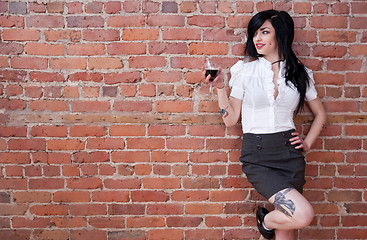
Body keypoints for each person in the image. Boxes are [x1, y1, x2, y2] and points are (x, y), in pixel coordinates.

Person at [202, 10, 327, 240]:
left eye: (264, 32)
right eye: (254, 33)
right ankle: (266, 221)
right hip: (258, 155)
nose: (257, 38)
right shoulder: (245, 71)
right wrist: (220, 87)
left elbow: (320, 114)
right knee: (302, 214)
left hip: (290, 155)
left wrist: (307, 143)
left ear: (281, 34)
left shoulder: (299, 73)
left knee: (287, 230)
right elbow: (230, 120)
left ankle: (270, 223)